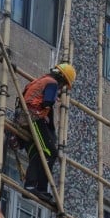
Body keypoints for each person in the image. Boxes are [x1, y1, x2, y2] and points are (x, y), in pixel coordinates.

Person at [18, 63, 76, 201]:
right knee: (49, 152)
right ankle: (34, 187)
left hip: (24, 117)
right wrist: (54, 98)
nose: (62, 89)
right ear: (61, 79)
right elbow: (47, 103)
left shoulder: (40, 81)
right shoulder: (52, 83)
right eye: (63, 86)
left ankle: (39, 188)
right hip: (32, 117)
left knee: (39, 153)